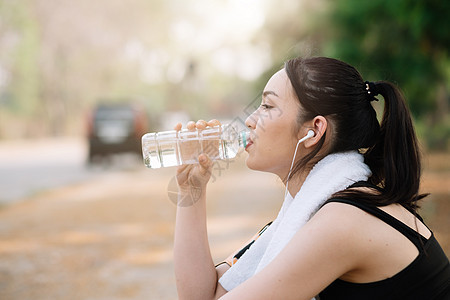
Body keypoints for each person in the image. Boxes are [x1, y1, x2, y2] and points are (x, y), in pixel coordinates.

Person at [172, 56, 450, 299]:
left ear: (314, 131)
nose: (250, 119)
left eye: (267, 106)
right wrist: (191, 190)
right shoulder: (314, 209)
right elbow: (203, 296)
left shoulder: (343, 221)